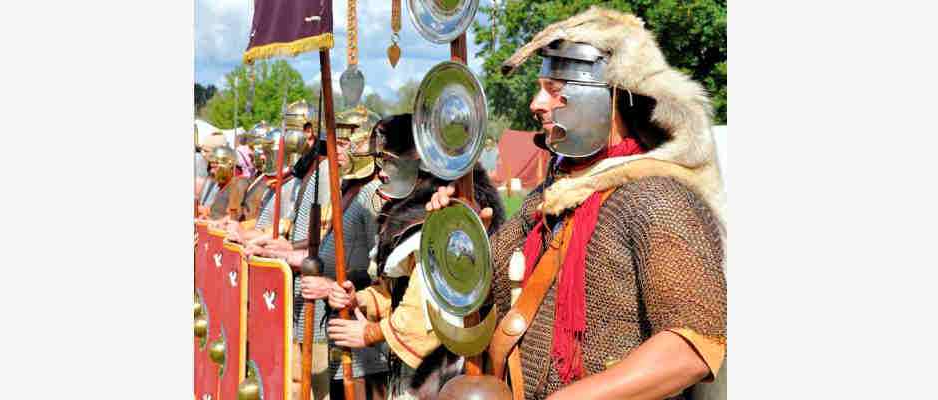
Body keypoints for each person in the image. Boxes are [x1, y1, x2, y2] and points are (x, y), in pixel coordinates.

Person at [426, 7, 726, 400]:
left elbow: (693, 348)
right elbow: (494, 300)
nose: (536, 103)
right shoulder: (548, 196)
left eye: (554, 89)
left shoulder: (659, 196)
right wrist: (464, 241)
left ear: (605, 96)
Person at [324, 114, 506, 400]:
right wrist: (358, 298)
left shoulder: (443, 215)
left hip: (442, 368)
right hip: (410, 364)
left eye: (389, 161)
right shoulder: (409, 211)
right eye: (380, 162)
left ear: (417, 158)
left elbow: (426, 308)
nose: (382, 172)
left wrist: (370, 333)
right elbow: (398, 289)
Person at [248, 107, 387, 400]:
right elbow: (328, 246)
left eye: (346, 143)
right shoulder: (348, 188)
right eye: (335, 141)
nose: (335, 149)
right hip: (335, 317)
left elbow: (381, 271)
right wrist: (290, 254)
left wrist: (335, 284)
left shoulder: (372, 195)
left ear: (366, 144)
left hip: (359, 327)